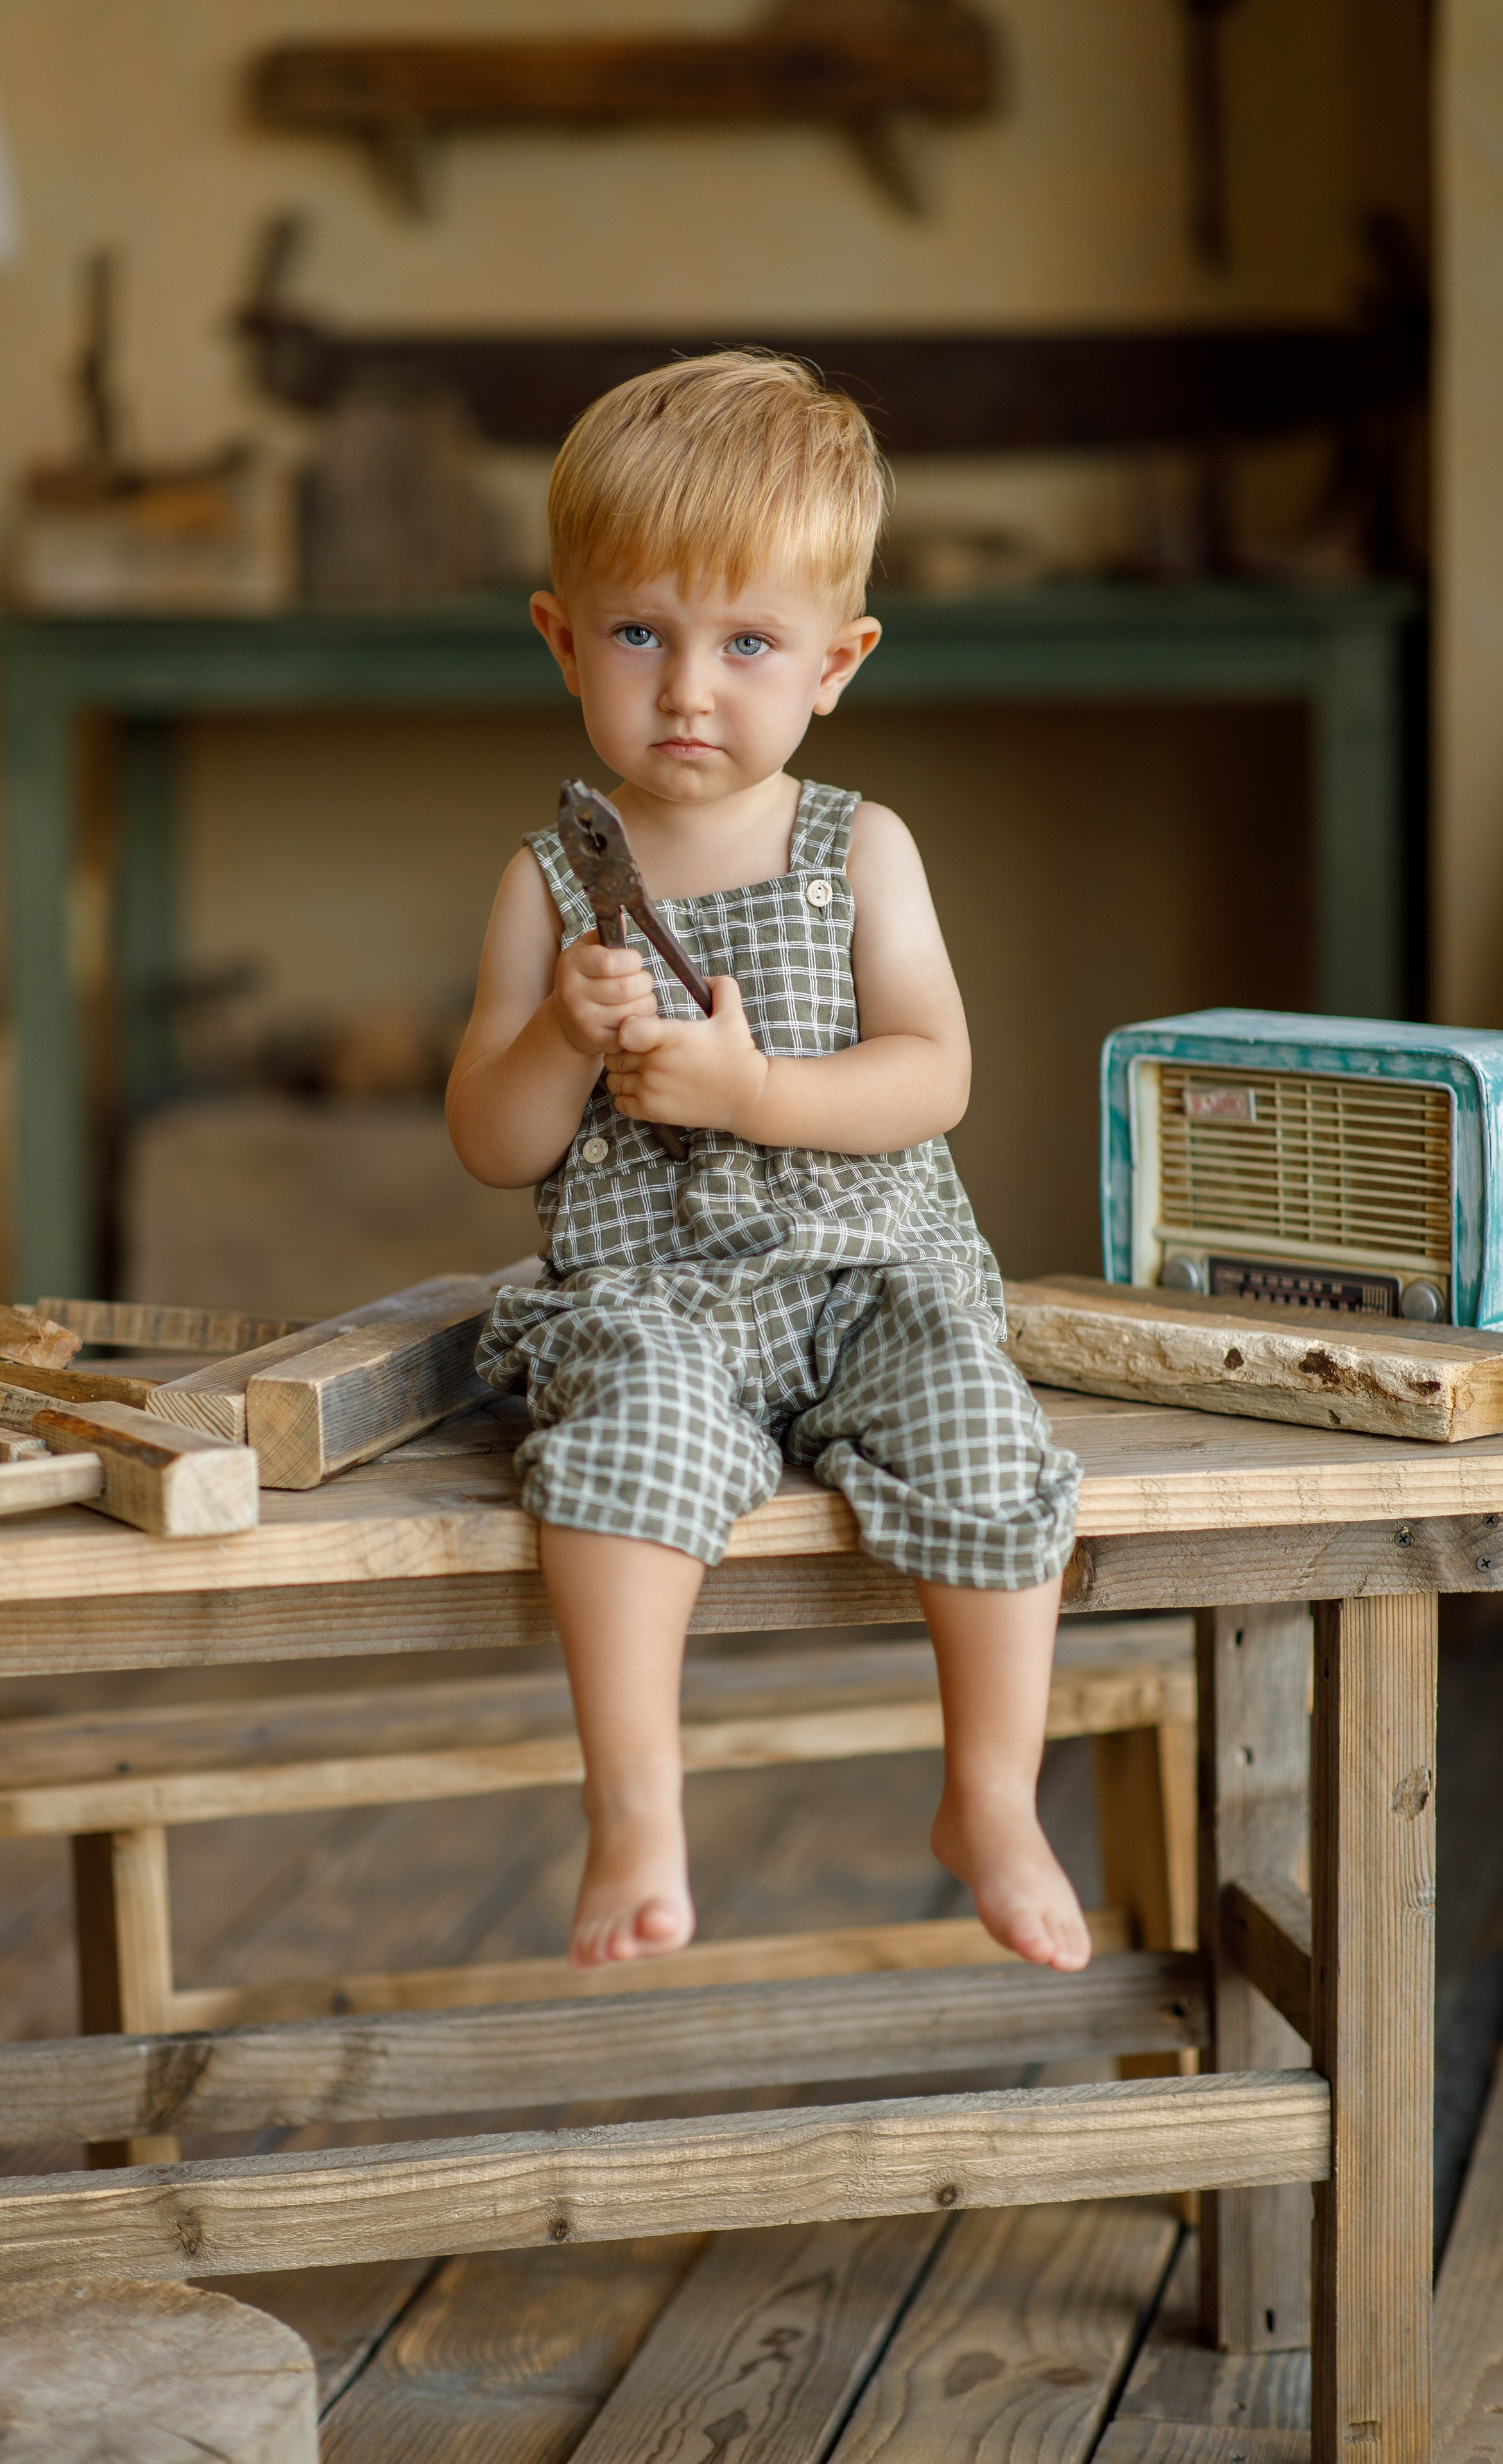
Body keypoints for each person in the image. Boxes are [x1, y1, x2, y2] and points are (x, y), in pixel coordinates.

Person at [447, 351, 1086, 1977]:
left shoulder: (857, 849)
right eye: (640, 634)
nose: (686, 691)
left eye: (746, 644)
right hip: (658, 1302)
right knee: (626, 1441)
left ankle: (990, 1795)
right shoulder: (545, 881)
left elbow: (931, 1076)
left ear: (835, 663)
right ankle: (636, 1805)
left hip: (868, 1279)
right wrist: (558, 1047)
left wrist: (748, 1089)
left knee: (979, 1426)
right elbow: (489, 1140)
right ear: (559, 638)